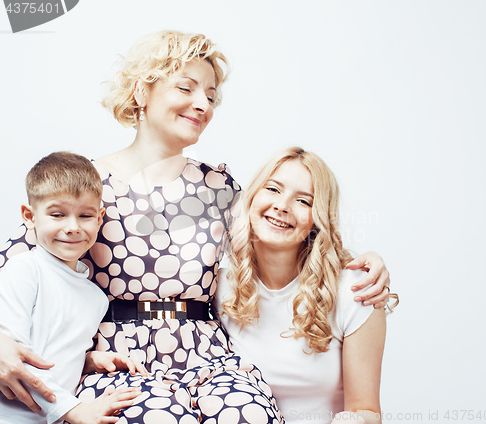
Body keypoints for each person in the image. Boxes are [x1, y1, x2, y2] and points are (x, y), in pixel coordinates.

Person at [0, 31, 390, 423]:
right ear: (141, 92)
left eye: (211, 95)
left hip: (210, 356)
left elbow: (284, 237)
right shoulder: (84, 185)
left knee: (249, 416)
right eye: (186, 87)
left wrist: (363, 260)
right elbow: (15, 266)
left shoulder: (220, 189)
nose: (202, 103)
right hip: (119, 359)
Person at [216, 147, 398, 424]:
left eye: (303, 201)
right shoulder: (216, 286)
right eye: (273, 189)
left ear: (318, 220)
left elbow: (367, 412)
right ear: (252, 196)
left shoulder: (356, 292)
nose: (283, 206)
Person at [0, 152, 144, 424]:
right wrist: (76, 411)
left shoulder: (95, 298)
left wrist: (88, 360)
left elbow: (51, 348)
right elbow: (13, 355)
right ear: (29, 216)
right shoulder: (24, 271)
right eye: (57, 214)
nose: (73, 227)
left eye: (85, 215)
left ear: (100, 218)